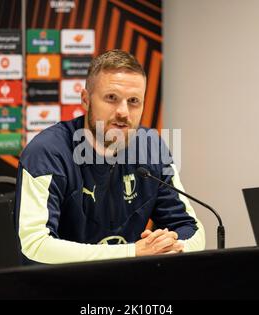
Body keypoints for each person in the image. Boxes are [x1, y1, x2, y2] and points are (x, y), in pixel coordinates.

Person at [14, 49, 205, 264]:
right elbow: (35, 245)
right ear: (86, 100)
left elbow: (194, 231)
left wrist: (171, 246)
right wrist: (133, 253)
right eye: (111, 98)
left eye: (134, 101)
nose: (123, 112)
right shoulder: (47, 152)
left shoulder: (151, 148)